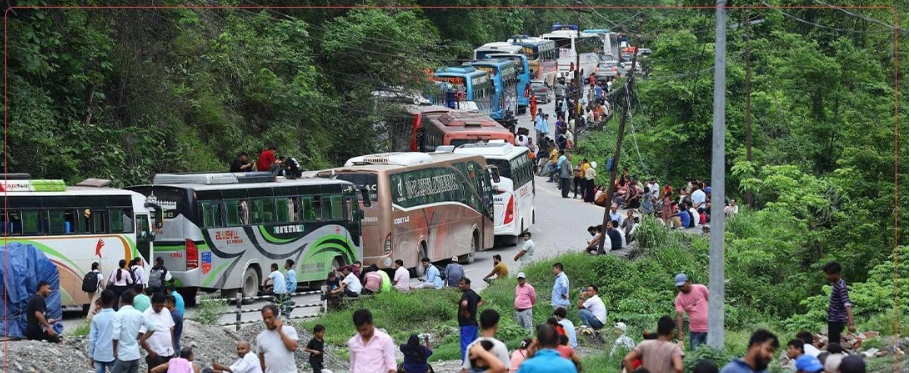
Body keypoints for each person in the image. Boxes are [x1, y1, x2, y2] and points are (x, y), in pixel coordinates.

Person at [113, 291, 157, 373]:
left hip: (123, 355)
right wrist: (142, 339)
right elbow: (152, 328)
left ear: (121, 300)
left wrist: (114, 350)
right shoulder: (139, 314)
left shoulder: (118, 314)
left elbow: (115, 336)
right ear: (133, 301)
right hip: (135, 355)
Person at [348, 309, 397, 373]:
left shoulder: (385, 340)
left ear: (371, 323)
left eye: (365, 329)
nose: (362, 333)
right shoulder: (353, 342)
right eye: (359, 330)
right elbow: (352, 367)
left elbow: (391, 367)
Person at [256, 305, 299, 373]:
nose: (267, 320)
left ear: (276, 317)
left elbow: (293, 347)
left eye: (270, 317)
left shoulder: (289, 330)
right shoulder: (260, 337)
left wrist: (280, 331)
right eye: (265, 318)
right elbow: (262, 360)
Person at [140, 292, 176, 371]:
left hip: (169, 352)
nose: (159, 308)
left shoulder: (166, 311)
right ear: (152, 303)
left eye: (161, 306)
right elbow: (141, 336)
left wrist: (173, 349)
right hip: (156, 354)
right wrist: (151, 353)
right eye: (157, 306)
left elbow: (170, 330)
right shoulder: (146, 315)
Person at [822, 262, 855, 347]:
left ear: (836, 274)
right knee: (833, 343)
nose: (827, 277)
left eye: (829, 274)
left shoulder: (840, 287)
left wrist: (851, 323)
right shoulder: (838, 284)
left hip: (836, 320)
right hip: (834, 319)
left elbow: (847, 304)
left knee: (833, 345)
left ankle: (837, 358)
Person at [674, 273, 709, 351]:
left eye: (682, 285)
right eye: (679, 287)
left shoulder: (701, 288)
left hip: (709, 328)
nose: (681, 288)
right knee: (695, 356)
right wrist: (680, 334)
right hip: (695, 331)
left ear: (688, 282)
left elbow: (712, 302)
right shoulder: (679, 299)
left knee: (710, 353)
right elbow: (679, 315)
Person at [89, 290, 117, 373]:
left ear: (101, 301)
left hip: (99, 353)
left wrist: (91, 355)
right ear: (113, 301)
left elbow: (92, 338)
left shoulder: (96, 318)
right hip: (113, 353)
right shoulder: (117, 316)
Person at [458, 277, 484, 363]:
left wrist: (464, 311)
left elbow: (464, 303)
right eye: (459, 284)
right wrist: (473, 307)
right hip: (473, 324)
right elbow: (481, 300)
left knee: (465, 345)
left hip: (466, 324)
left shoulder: (466, 294)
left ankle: (466, 365)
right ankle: (475, 364)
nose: (460, 286)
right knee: (474, 345)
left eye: (462, 284)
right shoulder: (473, 293)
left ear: (468, 285)